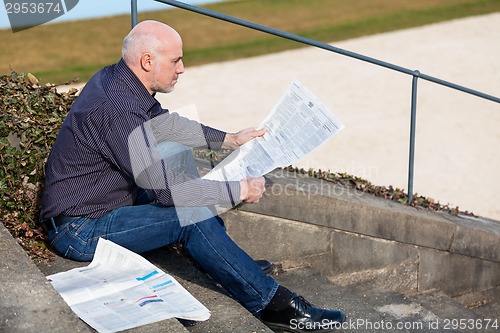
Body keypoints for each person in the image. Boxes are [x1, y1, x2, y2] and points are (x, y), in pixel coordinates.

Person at [40, 20, 346, 332]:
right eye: (175, 61)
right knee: (192, 211)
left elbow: (168, 126)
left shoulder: (118, 79)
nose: (182, 68)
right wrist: (237, 190)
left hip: (110, 201)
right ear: (148, 61)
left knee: (178, 154)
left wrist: (229, 138)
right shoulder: (118, 109)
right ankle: (274, 305)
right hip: (79, 230)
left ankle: (228, 261)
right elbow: (171, 194)